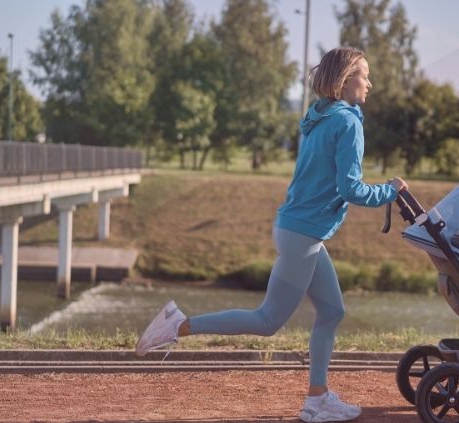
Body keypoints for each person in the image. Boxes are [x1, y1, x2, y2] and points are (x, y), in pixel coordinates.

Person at [135, 47, 407, 423]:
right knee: (267, 321)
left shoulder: (320, 117)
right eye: (364, 75)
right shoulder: (349, 123)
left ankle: (317, 399)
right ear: (345, 80)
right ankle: (178, 325)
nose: (370, 83)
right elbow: (350, 188)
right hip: (303, 234)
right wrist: (389, 192)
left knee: (331, 311)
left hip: (296, 229)